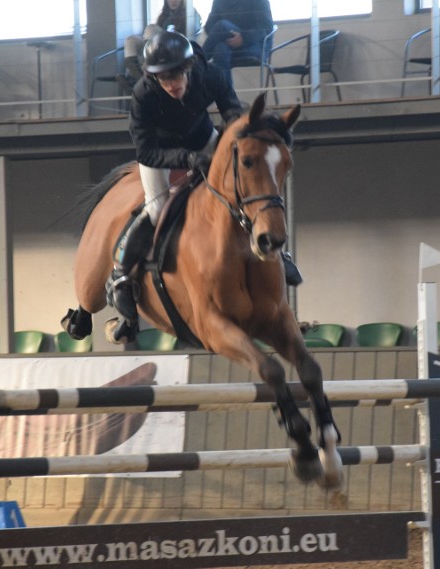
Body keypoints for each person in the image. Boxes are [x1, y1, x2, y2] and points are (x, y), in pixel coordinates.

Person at [106, 30, 301, 343]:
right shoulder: (143, 94)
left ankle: (281, 254)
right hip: (160, 155)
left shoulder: (210, 75)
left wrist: (233, 143)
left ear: (189, 67)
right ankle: (122, 277)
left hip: (203, 140)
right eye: (164, 79)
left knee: (240, 194)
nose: (172, 85)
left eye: (177, 76)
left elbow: (234, 114)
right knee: (156, 209)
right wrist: (186, 157)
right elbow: (145, 150)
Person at [118, 0, 200, 89]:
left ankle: (142, 78)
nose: (173, 1)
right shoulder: (163, 15)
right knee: (131, 40)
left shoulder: (191, 13)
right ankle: (141, 79)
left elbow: (191, 35)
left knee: (151, 29)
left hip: (175, 47)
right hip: (157, 48)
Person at [201, 0, 273, 88]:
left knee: (222, 25)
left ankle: (197, 62)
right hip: (229, 45)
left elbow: (266, 27)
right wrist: (225, 36)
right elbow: (209, 26)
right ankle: (228, 98)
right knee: (220, 49)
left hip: (256, 46)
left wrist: (244, 38)